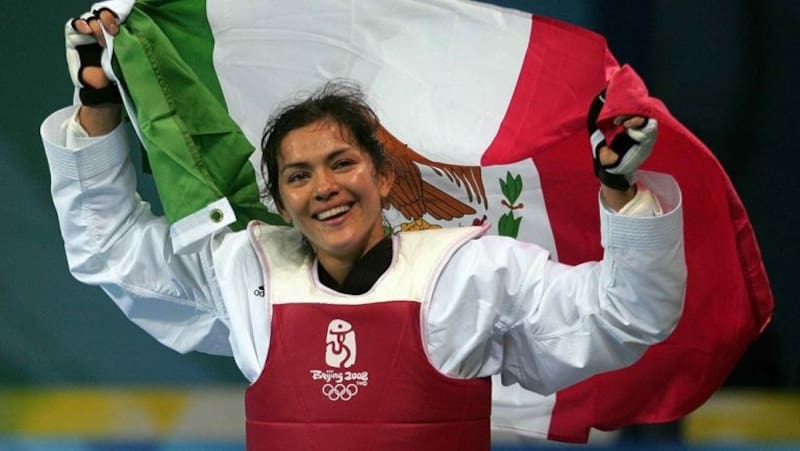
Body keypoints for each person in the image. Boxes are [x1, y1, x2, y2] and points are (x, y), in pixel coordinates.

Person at [42, 8, 686, 451]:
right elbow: (109, 248)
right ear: (280, 202)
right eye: (298, 176)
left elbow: (626, 314)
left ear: (382, 176)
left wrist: (617, 189)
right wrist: (98, 106)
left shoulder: (469, 273)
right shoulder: (249, 272)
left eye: (341, 163)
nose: (324, 187)